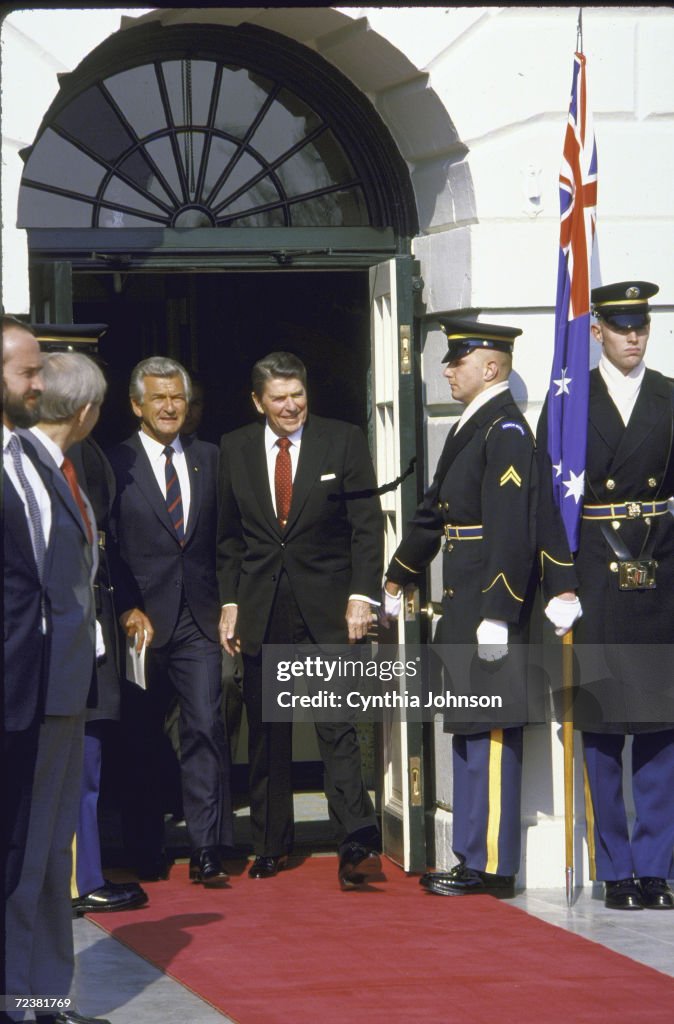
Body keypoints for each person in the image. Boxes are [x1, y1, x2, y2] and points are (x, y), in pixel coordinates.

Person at [383, 318, 543, 898]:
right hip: (463, 603)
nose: (447, 370)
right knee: (470, 728)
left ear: (492, 367)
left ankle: (494, 865)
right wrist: (399, 574)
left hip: (487, 605)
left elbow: (510, 532)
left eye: (458, 360)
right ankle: (471, 854)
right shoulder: (469, 427)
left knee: (493, 733)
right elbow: (434, 512)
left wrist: (499, 611)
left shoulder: (505, 431)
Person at [217, 351, 384, 888]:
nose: (291, 407)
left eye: (298, 396)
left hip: (328, 606)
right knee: (268, 731)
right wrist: (230, 602)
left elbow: (365, 526)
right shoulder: (235, 447)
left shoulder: (344, 439)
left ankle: (355, 842)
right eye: (279, 398)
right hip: (262, 606)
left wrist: (362, 595)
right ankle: (270, 844)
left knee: (336, 724)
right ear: (257, 401)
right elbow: (229, 539)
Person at [537, 280, 674, 911]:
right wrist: (560, 579)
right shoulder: (569, 401)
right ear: (598, 333)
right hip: (594, 576)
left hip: (660, 576)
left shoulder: (670, 396)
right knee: (600, 728)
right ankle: (615, 867)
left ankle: (655, 866)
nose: (633, 337)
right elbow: (549, 499)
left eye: (641, 326)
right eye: (621, 327)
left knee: (659, 731)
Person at [4, 337, 112, 1024]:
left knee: (49, 857)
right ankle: (20, 1000)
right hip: (30, 694)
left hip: (63, 690)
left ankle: (44, 998)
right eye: (27, 370)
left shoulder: (49, 465)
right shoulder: (22, 466)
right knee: (24, 858)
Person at [107, 356, 232, 886]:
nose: (169, 407)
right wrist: (124, 607)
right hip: (140, 624)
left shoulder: (211, 457)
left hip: (198, 621)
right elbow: (105, 545)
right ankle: (145, 846)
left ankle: (207, 849)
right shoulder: (114, 462)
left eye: (176, 397)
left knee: (206, 727)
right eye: (157, 398)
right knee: (140, 734)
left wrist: (230, 603)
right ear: (137, 405)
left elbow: (227, 539)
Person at [69, 435, 150, 915]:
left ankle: (86, 873)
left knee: (88, 757)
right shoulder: (58, 448)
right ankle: (81, 880)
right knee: (80, 762)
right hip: (74, 626)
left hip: (91, 611)